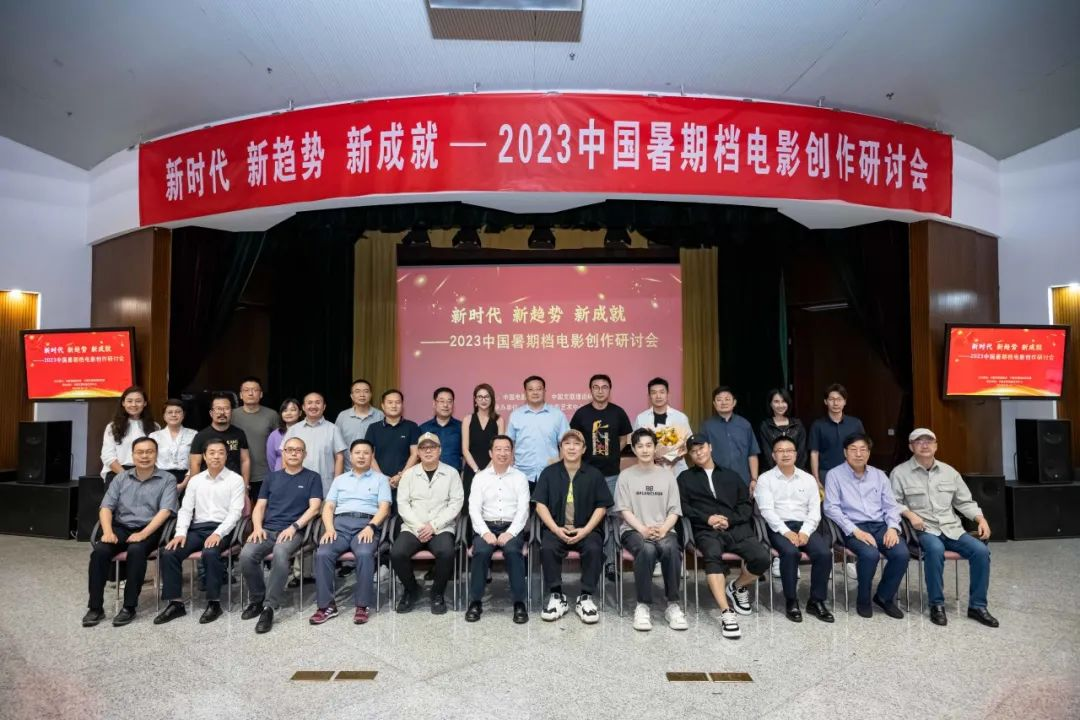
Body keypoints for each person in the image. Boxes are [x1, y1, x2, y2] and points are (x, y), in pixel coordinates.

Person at [890, 428, 998, 628]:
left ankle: (978, 606)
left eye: (929, 441)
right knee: (935, 549)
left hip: (952, 528)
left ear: (936, 445)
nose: (925, 445)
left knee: (981, 551)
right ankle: (936, 605)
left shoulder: (950, 472)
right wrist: (910, 514)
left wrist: (980, 519)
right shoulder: (899, 473)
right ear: (911, 447)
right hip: (923, 529)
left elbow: (964, 502)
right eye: (919, 441)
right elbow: (892, 503)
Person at [677, 435, 770, 639]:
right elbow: (683, 506)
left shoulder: (731, 475)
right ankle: (727, 612)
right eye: (693, 451)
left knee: (763, 558)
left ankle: (736, 586)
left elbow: (745, 504)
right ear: (689, 455)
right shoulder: (684, 478)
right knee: (712, 556)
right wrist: (708, 518)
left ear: (710, 447)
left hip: (736, 528)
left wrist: (730, 520)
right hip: (706, 530)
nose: (698, 453)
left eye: (701, 448)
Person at [83, 436, 177, 627]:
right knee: (100, 551)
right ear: (132, 455)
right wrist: (107, 532)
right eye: (140, 452)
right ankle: (95, 608)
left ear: (156, 454)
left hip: (150, 529)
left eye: (149, 452)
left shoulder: (168, 479)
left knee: (136, 550)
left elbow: (165, 511)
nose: (144, 456)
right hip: (121, 527)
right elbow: (106, 507)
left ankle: (129, 607)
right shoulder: (120, 478)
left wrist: (143, 534)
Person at [154, 439, 246, 625]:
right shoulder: (195, 481)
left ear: (226, 456)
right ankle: (175, 603)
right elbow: (186, 510)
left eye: (221, 452)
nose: (216, 456)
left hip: (224, 528)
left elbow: (235, 513)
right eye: (211, 452)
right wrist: (180, 533)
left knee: (210, 552)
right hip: (198, 528)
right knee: (169, 552)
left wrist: (218, 533)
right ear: (204, 456)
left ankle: (214, 603)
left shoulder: (235, 480)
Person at [238, 436, 323, 633]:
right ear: (283, 453)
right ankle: (257, 599)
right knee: (246, 555)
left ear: (304, 454)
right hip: (268, 529)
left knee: (280, 552)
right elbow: (260, 506)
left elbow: (314, 508)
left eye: (298, 450)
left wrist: (294, 527)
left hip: (295, 531)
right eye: (289, 450)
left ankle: (269, 607)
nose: (294, 453)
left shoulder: (313, 477)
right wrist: (257, 527)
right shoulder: (271, 478)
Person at [823, 433, 908, 619]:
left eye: (863, 449)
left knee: (901, 554)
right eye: (853, 449)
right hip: (852, 526)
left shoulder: (879, 475)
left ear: (869, 453)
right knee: (869, 554)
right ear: (845, 452)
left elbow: (891, 506)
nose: (858, 454)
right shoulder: (834, 475)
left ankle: (884, 597)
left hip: (880, 526)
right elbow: (831, 508)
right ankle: (863, 600)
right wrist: (856, 531)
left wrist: (893, 528)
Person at [533, 429, 612, 624]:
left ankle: (585, 597)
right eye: (567, 443)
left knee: (594, 547)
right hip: (556, 527)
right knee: (548, 547)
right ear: (561, 448)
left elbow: (602, 507)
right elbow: (540, 505)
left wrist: (585, 530)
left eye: (576, 444)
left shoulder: (594, 474)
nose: (571, 447)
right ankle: (557, 596)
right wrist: (555, 529)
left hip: (586, 528)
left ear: (584, 449)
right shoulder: (549, 473)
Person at [309, 439, 392, 626]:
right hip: (340, 525)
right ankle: (326, 606)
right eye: (357, 453)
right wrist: (329, 528)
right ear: (351, 456)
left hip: (366, 524)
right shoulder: (340, 480)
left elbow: (384, 508)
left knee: (364, 553)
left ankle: (362, 605)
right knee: (323, 553)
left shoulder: (380, 479)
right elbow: (328, 506)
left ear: (372, 456)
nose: (361, 456)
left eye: (366, 453)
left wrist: (371, 526)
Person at [754, 436, 834, 623]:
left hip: (805, 525)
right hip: (778, 526)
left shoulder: (808, 479)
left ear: (796, 454)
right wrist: (786, 532)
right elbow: (766, 511)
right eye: (780, 451)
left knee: (824, 554)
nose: (785, 454)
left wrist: (805, 531)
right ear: (773, 456)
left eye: (789, 450)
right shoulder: (765, 479)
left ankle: (816, 601)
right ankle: (791, 601)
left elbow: (815, 510)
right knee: (790, 553)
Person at [615, 428, 687, 631]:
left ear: (655, 448)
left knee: (670, 548)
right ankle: (643, 605)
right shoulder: (625, 476)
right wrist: (643, 529)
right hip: (633, 530)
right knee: (646, 549)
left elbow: (674, 510)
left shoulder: (668, 476)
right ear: (634, 449)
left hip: (664, 529)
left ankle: (673, 605)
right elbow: (624, 510)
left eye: (649, 445)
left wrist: (663, 529)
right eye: (640, 446)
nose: (645, 450)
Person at [390, 432, 464, 615]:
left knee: (446, 552)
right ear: (418, 452)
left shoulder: (451, 473)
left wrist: (434, 526)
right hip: (413, 527)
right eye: (423, 448)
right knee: (397, 553)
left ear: (440, 450)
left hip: (441, 527)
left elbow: (456, 503)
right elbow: (403, 504)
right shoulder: (409, 474)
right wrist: (419, 527)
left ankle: (437, 593)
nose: (428, 451)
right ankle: (412, 590)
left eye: (432, 447)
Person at [465, 434, 530, 624]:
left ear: (512, 453)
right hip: (486, 525)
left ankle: (519, 603)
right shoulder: (480, 478)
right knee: (481, 551)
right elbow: (473, 509)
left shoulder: (520, 477)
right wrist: (485, 532)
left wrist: (510, 533)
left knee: (513, 551)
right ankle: (475, 602)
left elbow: (523, 510)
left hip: (512, 527)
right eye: (498, 449)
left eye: (507, 449)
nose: (502, 453)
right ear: (490, 453)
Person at [570, 373, 633, 504]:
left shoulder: (618, 412)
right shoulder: (581, 414)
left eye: (604, 387)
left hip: (612, 474)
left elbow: (623, 439)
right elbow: (574, 440)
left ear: (610, 390)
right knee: (586, 509)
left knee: (611, 511)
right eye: (596, 387)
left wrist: (613, 453)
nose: (600, 391)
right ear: (590, 390)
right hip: (585, 473)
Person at [507, 375, 570, 485]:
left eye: (539, 389)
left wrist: (560, 467)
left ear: (544, 391)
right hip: (522, 474)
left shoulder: (557, 415)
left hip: (551, 474)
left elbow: (566, 443)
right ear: (525, 392)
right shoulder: (515, 415)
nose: (535, 392)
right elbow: (508, 444)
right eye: (531, 389)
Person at [283, 392, 346, 496]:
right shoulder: (293, 430)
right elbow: (284, 456)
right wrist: (286, 480)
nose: (313, 406)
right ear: (303, 407)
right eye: (309, 403)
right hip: (296, 484)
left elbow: (339, 458)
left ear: (324, 407)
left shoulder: (333, 429)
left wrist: (336, 485)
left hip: (325, 486)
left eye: (317, 402)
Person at [698, 386, 760, 490]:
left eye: (727, 399)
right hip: (716, 481)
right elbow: (701, 455)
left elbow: (752, 454)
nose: (723, 402)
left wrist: (754, 479)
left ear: (734, 402)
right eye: (719, 400)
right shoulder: (707, 426)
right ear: (714, 404)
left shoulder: (745, 425)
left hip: (743, 480)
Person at [186, 392, 250, 492]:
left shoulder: (239, 434)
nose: (222, 413)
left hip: (234, 486)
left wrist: (245, 487)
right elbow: (195, 464)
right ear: (211, 413)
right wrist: (196, 490)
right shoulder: (201, 436)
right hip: (208, 487)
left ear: (231, 412)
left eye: (226, 408)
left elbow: (245, 460)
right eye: (218, 409)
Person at [229, 376, 280, 499]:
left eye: (255, 390)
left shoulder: (272, 415)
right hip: (235, 473)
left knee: (262, 508)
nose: (251, 393)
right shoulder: (231, 415)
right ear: (241, 395)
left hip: (264, 473)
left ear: (261, 394)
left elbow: (279, 443)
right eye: (246, 390)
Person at [365, 388, 421, 492]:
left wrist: (401, 476)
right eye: (390, 402)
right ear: (383, 406)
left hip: (406, 482)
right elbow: (369, 456)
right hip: (378, 482)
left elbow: (415, 454)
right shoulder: (373, 428)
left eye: (397, 402)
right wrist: (382, 478)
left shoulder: (412, 427)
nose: (394, 405)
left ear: (402, 405)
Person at [809, 383, 864, 489]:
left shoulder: (855, 424)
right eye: (831, 399)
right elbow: (814, 453)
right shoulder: (817, 425)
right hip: (826, 473)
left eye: (839, 399)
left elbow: (863, 449)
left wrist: (861, 473)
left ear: (845, 402)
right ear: (825, 401)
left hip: (851, 473)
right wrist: (816, 479)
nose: (835, 403)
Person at [633, 377, 690, 476]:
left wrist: (672, 457)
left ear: (668, 394)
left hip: (677, 470)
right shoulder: (641, 418)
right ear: (649, 396)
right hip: (649, 470)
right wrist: (651, 456)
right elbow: (634, 444)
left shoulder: (680, 417)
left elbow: (688, 443)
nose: (658, 396)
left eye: (662, 392)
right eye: (654, 393)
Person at [100, 385, 158, 481]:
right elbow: (107, 456)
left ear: (145, 403)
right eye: (129, 401)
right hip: (118, 473)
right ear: (123, 403)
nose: (134, 405)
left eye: (138, 401)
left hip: (146, 474)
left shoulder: (154, 426)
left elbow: (156, 454)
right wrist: (127, 476)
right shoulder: (113, 426)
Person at [461, 382, 505, 498]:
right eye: (480, 397)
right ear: (475, 400)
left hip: (493, 469)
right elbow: (465, 449)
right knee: (471, 503)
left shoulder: (499, 420)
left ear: (492, 399)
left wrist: (487, 471)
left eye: (486, 397)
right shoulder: (468, 419)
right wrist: (477, 471)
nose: (483, 400)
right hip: (472, 469)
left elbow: (499, 448)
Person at [757, 388, 808, 472]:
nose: (780, 405)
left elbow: (801, 452)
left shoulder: (797, 424)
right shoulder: (765, 426)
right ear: (770, 404)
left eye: (784, 401)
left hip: (797, 472)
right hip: (773, 473)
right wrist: (779, 472)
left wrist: (793, 471)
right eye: (776, 401)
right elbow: (767, 454)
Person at [149, 398, 197, 485]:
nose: (174, 415)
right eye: (170, 412)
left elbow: (195, 462)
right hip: (160, 478)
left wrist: (184, 484)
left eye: (178, 412)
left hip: (186, 478)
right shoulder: (154, 436)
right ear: (164, 416)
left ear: (183, 415)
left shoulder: (193, 434)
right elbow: (150, 461)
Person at [418, 387, 463, 471]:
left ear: (453, 404)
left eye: (449, 401)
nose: (446, 405)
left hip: (454, 475)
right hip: (429, 474)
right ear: (434, 404)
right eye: (442, 401)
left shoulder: (461, 427)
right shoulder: (423, 428)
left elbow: (466, 454)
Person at [334, 378, 385, 448]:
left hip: (373, 455)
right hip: (348, 455)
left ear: (371, 395)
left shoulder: (380, 415)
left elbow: (384, 440)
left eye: (366, 391)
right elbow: (336, 442)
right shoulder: (343, 416)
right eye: (357, 391)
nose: (362, 395)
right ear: (352, 396)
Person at [266, 397, 302, 473]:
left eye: (293, 410)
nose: (288, 413)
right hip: (280, 474)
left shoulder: (306, 432)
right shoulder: (275, 434)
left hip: (302, 474)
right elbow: (271, 460)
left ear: (300, 413)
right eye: (285, 410)